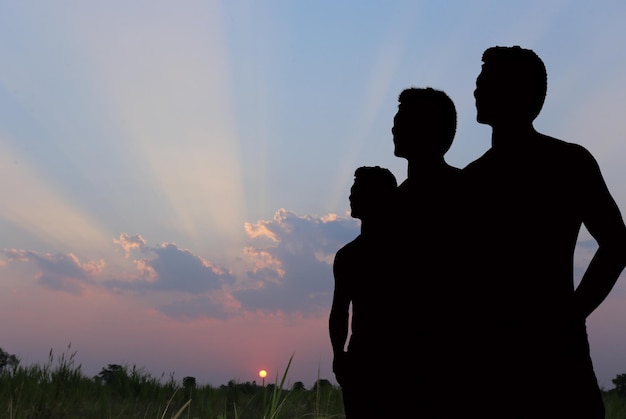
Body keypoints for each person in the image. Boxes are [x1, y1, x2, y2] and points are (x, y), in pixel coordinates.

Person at [462, 45, 626, 418]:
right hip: (490, 358)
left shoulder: (568, 162)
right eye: (478, 82)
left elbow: (617, 244)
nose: (476, 91)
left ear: (519, 93)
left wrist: (570, 314)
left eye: (486, 82)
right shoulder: (471, 179)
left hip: (552, 356)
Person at [391, 87, 464, 418]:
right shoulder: (395, 203)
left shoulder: (464, 191)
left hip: (449, 360)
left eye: (403, 118)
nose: (394, 126)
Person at [329, 165, 398, 418]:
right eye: (352, 191)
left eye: (357, 191)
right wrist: (339, 356)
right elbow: (339, 311)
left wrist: (340, 356)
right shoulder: (348, 255)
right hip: (360, 358)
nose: (351, 197)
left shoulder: (404, 249)